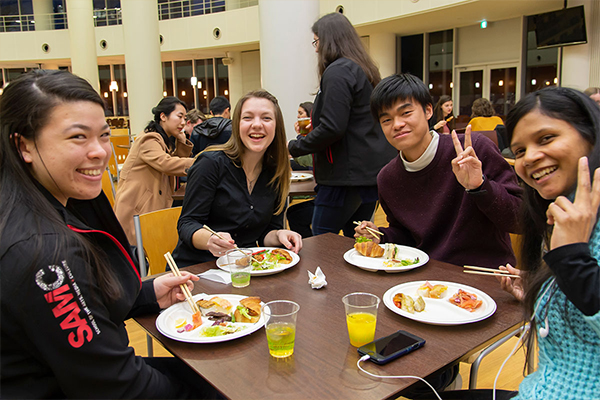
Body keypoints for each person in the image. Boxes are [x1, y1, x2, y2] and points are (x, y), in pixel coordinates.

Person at [0, 70, 217, 399]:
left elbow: (74, 312)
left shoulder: (53, 201)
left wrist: (144, 295)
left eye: (103, 135)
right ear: (23, 145)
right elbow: (114, 384)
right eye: (77, 137)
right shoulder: (41, 251)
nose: (100, 151)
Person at [356, 73, 523, 269]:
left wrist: (480, 186)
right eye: (386, 120)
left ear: (428, 111)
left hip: (484, 276)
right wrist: (379, 236)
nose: (397, 124)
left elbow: (519, 220)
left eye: (406, 113)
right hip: (425, 279)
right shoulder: (388, 178)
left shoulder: (473, 150)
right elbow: (406, 235)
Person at [496, 86, 600, 400]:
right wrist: (542, 288)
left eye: (546, 138)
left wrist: (571, 259)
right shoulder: (559, 212)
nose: (531, 158)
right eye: (520, 151)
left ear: (590, 135)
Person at [288, 12, 396, 237]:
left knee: (321, 239)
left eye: (317, 41)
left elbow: (332, 127)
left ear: (328, 41)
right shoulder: (363, 69)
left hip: (345, 176)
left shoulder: (338, 71)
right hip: (367, 173)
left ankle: (321, 273)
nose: (316, 49)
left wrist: (295, 146)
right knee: (355, 238)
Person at [172, 89, 302, 267]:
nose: (257, 125)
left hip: (245, 270)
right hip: (198, 269)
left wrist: (279, 234)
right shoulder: (210, 163)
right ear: (236, 125)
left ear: (277, 126)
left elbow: (266, 234)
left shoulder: (276, 171)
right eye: (248, 118)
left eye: (266, 118)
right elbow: (187, 224)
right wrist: (210, 239)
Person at [113, 97, 194, 243]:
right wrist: (201, 163)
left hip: (150, 205)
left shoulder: (162, 139)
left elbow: (174, 163)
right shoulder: (149, 139)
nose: (183, 122)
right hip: (137, 209)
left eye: (185, 118)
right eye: (179, 116)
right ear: (163, 116)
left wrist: (181, 141)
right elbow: (166, 164)